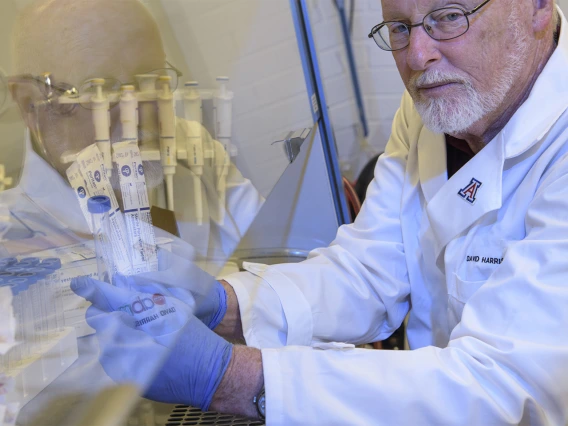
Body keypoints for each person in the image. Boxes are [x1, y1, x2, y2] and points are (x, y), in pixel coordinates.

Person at [29, 0, 568, 424]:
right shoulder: (431, 104)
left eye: (448, 17)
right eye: (399, 28)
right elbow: (369, 270)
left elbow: (503, 386)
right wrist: (224, 303)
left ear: (537, 4)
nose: (418, 55)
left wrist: (229, 378)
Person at [8, 0, 264, 267]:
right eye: (101, 89)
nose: (139, 112)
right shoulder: (14, 241)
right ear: (31, 105)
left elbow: (290, 253)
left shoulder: (190, 143)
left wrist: (231, 299)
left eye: (152, 79)